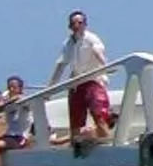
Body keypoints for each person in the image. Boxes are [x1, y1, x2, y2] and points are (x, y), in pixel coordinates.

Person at [45, 10, 111, 149]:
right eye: (74, 23)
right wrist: (50, 88)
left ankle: (105, 141)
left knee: (99, 114)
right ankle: (77, 144)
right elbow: (61, 64)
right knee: (75, 119)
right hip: (76, 83)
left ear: (85, 24)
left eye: (80, 23)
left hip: (93, 80)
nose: (77, 25)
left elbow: (97, 51)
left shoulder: (91, 38)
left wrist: (106, 67)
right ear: (70, 26)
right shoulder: (68, 43)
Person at [1, 75, 38, 150]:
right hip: (9, 135)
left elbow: (24, 101)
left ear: (20, 88)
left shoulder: (24, 101)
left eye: (14, 87)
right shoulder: (7, 102)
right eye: (9, 87)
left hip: (19, 137)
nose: (11, 89)